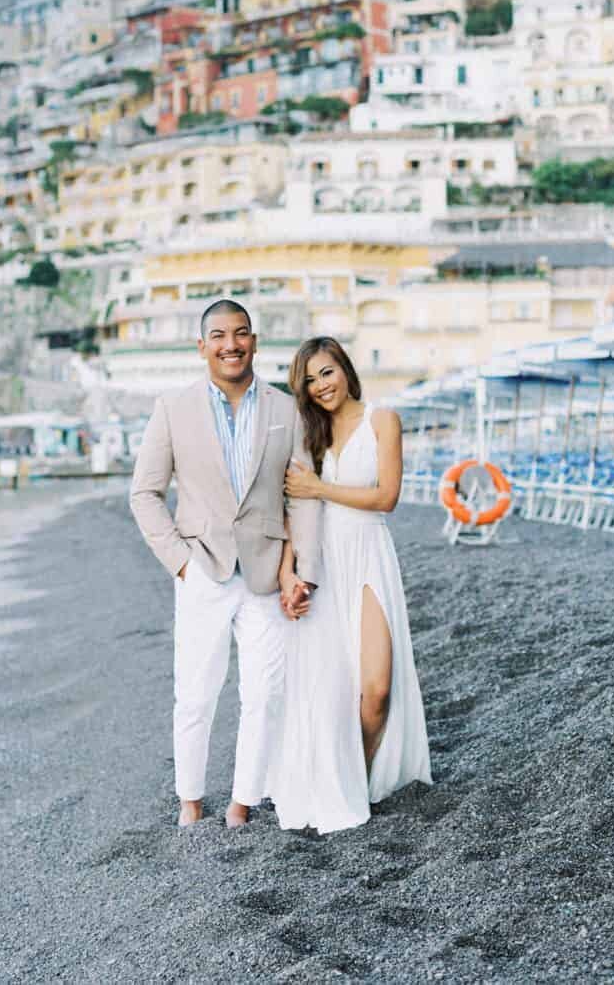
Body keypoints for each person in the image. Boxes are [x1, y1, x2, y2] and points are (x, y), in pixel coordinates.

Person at [129, 299, 321, 829]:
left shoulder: (286, 411)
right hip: (202, 570)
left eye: (240, 334)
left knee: (265, 693)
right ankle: (190, 801)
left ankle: (242, 803)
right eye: (218, 335)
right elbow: (144, 494)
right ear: (201, 346)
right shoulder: (173, 407)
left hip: (265, 574)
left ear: (255, 342)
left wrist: (299, 570)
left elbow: (300, 497)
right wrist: (181, 564)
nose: (230, 344)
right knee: (195, 692)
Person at [270, 336, 431, 833]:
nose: (321, 386)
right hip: (322, 564)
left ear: (345, 368)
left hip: (367, 555)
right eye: (310, 380)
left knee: (376, 687)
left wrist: (320, 487)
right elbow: (290, 512)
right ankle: (340, 786)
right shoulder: (307, 436)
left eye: (327, 372)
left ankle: (357, 777)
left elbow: (387, 497)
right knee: (328, 690)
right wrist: (287, 575)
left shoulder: (382, 420)